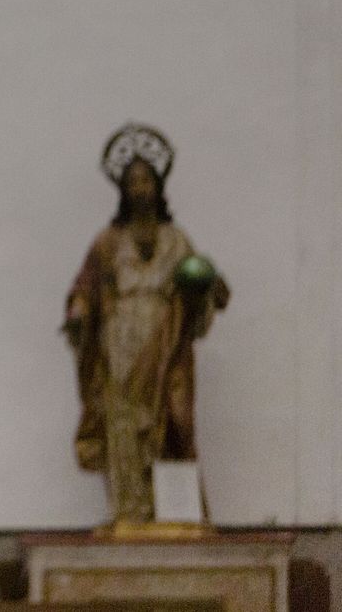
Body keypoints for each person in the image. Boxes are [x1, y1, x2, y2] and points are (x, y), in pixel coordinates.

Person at [64, 123, 229, 526]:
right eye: (132, 181)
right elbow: (84, 287)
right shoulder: (107, 241)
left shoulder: (177, 239)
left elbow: (201, 284)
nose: (139, 188)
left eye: (146, 180)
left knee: (173, 419)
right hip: (119, 345)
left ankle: (174, 511)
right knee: (124, 424)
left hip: (167, 341)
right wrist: (79, 313)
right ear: (122, 190)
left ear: (158, 186)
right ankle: (129, 511)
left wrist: (208, 288)